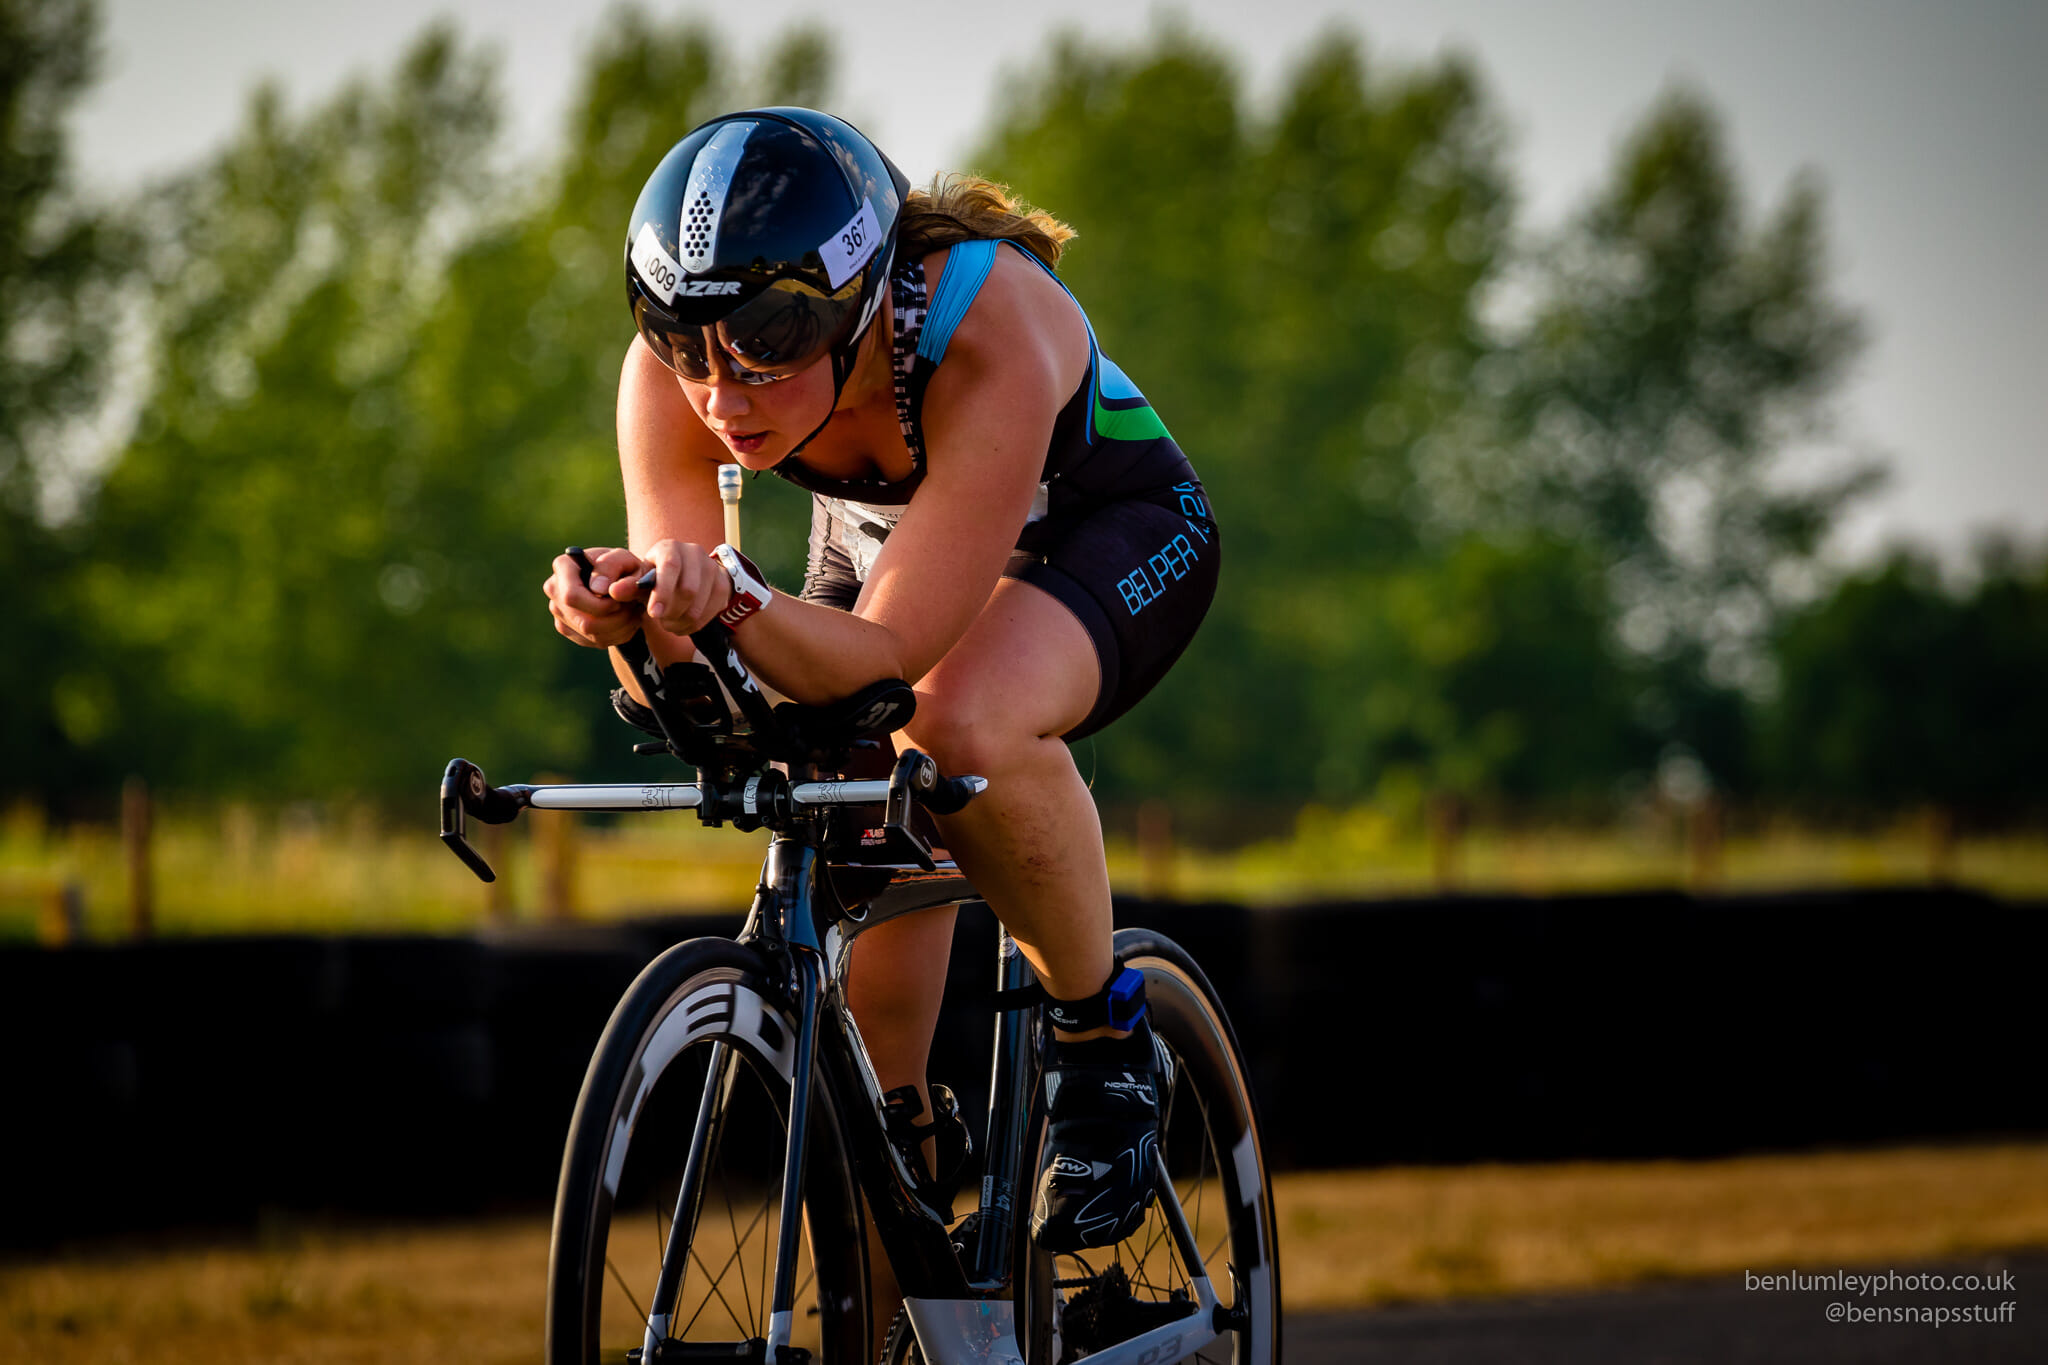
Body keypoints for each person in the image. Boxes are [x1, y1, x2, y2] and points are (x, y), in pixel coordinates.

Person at [542, 107, 1218, 1261]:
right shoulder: (677, 374)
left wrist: (737, 600)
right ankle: (900, 1153)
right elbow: (699, 658)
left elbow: (884, 658)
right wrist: (625, 615)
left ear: (853, 308)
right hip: (880, 546)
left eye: (763, 343)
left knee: (954, 721)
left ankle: (1102, 1044)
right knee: (841, 793)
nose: (720, 392)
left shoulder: (984, 322)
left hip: (1104, 530)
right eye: (683, 343)